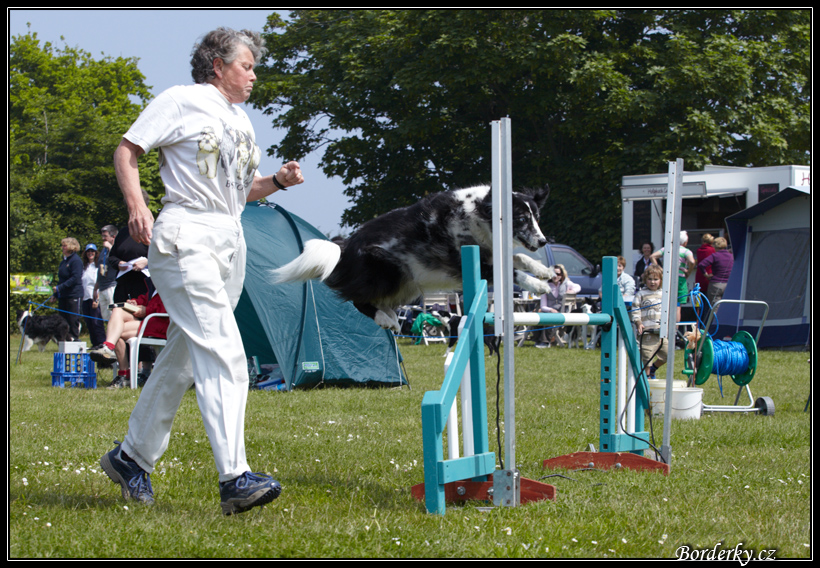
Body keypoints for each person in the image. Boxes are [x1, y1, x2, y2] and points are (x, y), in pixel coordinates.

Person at [100, 27, 304, 515]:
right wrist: (137, 206)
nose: (254, 75)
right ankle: (235, 478)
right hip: (185, 236)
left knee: (187, 357)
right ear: (218, 65)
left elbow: (236, 191)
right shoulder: (181, 100)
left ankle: (131, 459)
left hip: (229, 240)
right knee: (226, 353)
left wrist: (276, 181)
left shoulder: (241, 120)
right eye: (247, 65)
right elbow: (127, 151)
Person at [89, 291, 168, 388]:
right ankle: (109, 348)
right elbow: (147, 298)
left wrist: (147, 310)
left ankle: (124, 374)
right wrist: (135, 302)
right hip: (150, 319)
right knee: (117, 311)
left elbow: (168, 308)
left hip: (161, 323)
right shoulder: (156, 283)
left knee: (115, 331)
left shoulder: (170, 283)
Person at [631, 264, 667, 379]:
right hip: (647, 332)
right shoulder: (641, 294)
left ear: (661, 280)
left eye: (656, 279)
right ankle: (647, 380)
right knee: (647, 357)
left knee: (667, 355)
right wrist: (638, 322)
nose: (652, 282)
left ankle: (653, 369)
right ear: (645, 280)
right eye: (650, 279)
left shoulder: (664, 294)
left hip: (661, 333)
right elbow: (635, 310)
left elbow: (669, 311)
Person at [650, 231, 695, 322]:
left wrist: (660, 270)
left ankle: (664, 326)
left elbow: (652, 256)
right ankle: (675, 331)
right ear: (685, 242)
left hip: (667, 278)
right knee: (677, 306)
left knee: (665, 304)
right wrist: (688, 272)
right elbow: (692, 262)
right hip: (680, 279)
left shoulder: (666, 249)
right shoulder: (686, 251)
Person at [534, 264, 580, 348]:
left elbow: (578, 287)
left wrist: (572, 290)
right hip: (549, 310)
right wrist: (550, 309)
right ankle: (539, 340)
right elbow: (543, 306)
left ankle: (545, 341)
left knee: (548, 318)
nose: (556, 276)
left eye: (558, 274)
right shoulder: (545, 286)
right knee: (539, 316)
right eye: (553, 274)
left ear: (561, 275)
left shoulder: (566, 283)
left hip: (562, 312)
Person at [52, 237, 84, 340]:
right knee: (63, 319)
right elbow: (61, 279)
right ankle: (65, 340)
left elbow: (75, 278)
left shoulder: (76, 261)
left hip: (73, 294)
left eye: (64, 246)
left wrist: (60, 287)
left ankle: (74, 339)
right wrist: (55, 294)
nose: (62, 248)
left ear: (71, 247)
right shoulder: (63, 262)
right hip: (63, 295)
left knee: (72, 319)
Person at [80, 243, 107, 348]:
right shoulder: (84, 267)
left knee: (96, 322)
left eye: (92, 251)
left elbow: (101, 282)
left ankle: (101, 342)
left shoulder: (99, 266)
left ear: (96, 253)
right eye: (88, 251)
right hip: (85, 298)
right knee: (89, 322)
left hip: (95, 297)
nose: (90, 253)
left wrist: (97, 299)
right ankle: (94, 343)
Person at [698, 236, 734, 308]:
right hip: (729, 284)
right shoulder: (731, 256)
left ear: (714, 245)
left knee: (715, 308)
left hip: (716, 284)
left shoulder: (714, 256)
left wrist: (706, 275)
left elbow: (701, 265)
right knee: (728, 307)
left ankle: (716, 319)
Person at [94, 225, 119, 322]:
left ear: (113, 236)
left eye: (105, 236)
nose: (103, 238)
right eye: (102, 236)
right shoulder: (103, 251)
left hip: (112, 286)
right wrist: (96, 288)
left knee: (114, 315)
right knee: (106, 317)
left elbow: (120, 261)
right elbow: (100, 270)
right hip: (102, 287)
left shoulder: (116, 248)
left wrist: (111, 248)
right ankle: (109, 336)